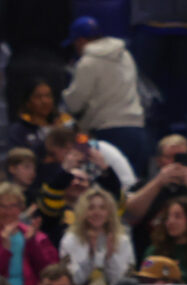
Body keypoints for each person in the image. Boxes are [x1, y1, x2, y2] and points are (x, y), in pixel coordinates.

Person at [62, 18, 146, 178]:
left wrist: (65, 96)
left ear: (80, 41)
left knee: (112, 190)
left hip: (110, 131)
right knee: (135, 188)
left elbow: (75, 103)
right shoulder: (125, 54)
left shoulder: (88, 62)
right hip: (137, 129)